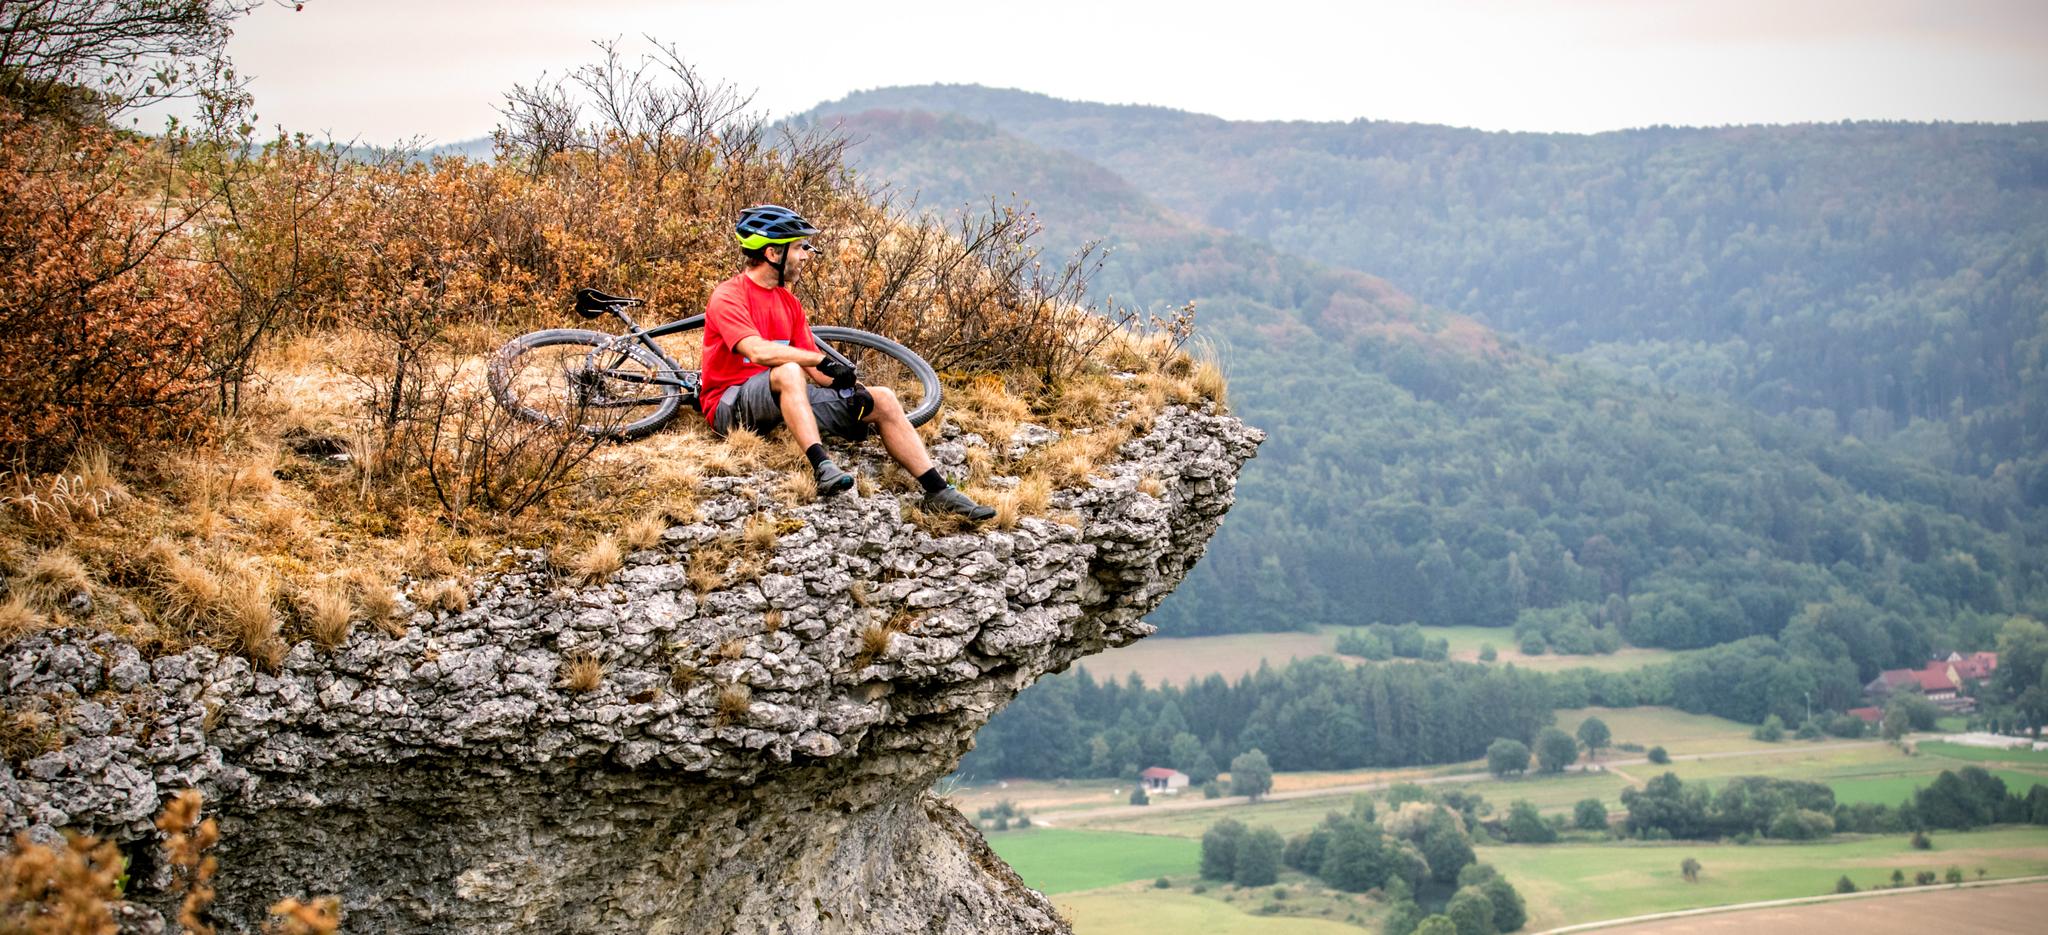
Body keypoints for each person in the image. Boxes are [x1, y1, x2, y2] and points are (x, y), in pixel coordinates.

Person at [699, 204, 995, 521]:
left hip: (783, 397)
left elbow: (816, 373)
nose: (805, 255)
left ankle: (939, 491)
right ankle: (822, 466)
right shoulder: (729, 295)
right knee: (787, 370)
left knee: (881, 398)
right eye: (799, 247)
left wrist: (844, 382)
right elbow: (757, 351)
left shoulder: (789, 303)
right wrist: (816, 359)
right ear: (773, 253)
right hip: (730, 405)